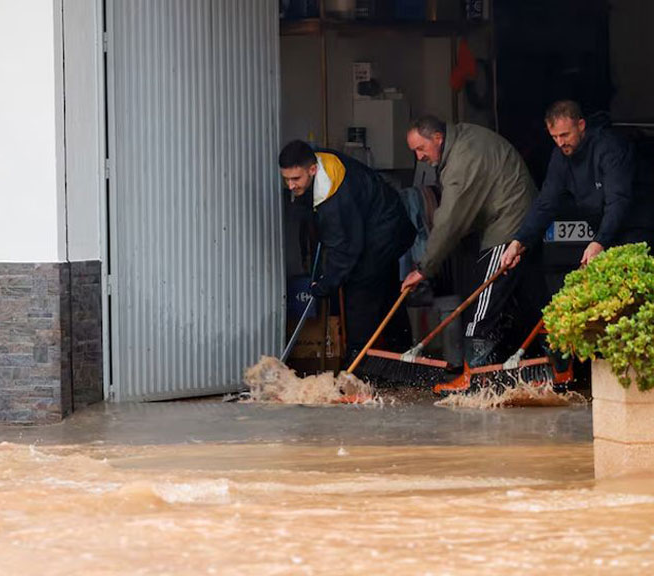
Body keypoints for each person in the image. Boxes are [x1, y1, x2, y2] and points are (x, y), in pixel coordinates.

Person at [401, 116, 543, 391]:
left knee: (480, 309)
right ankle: (558, 368)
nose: (419, 157)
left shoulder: (462, 158)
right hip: (521, 222)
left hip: (509, 226)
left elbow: (450, 220)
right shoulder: (465, 139)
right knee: (531, 303)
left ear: (438, 139)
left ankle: (478, 381)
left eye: (420, 149)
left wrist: (424, 267)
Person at [278, 140, 415, 361]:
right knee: (387, 295)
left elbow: (345, 251)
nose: (291, 186)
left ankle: (358, 368)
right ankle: (402, 357)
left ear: (312, 170)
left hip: (383, 232)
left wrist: (325, 284)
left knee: (359, 293)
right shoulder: (319, 162)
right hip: (376, 223)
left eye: (296, 179)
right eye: (286, 179)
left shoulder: (334, 197)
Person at [500, 100, 654, 270]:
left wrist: (599, 241)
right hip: (606, 230)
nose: (560, 143)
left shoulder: (610, 147)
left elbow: (618, 200)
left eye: (565, 135)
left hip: (637, 226)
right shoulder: (560, 156)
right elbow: (546, 203)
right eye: (554, 137)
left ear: (581, 125)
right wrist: (520, 241)